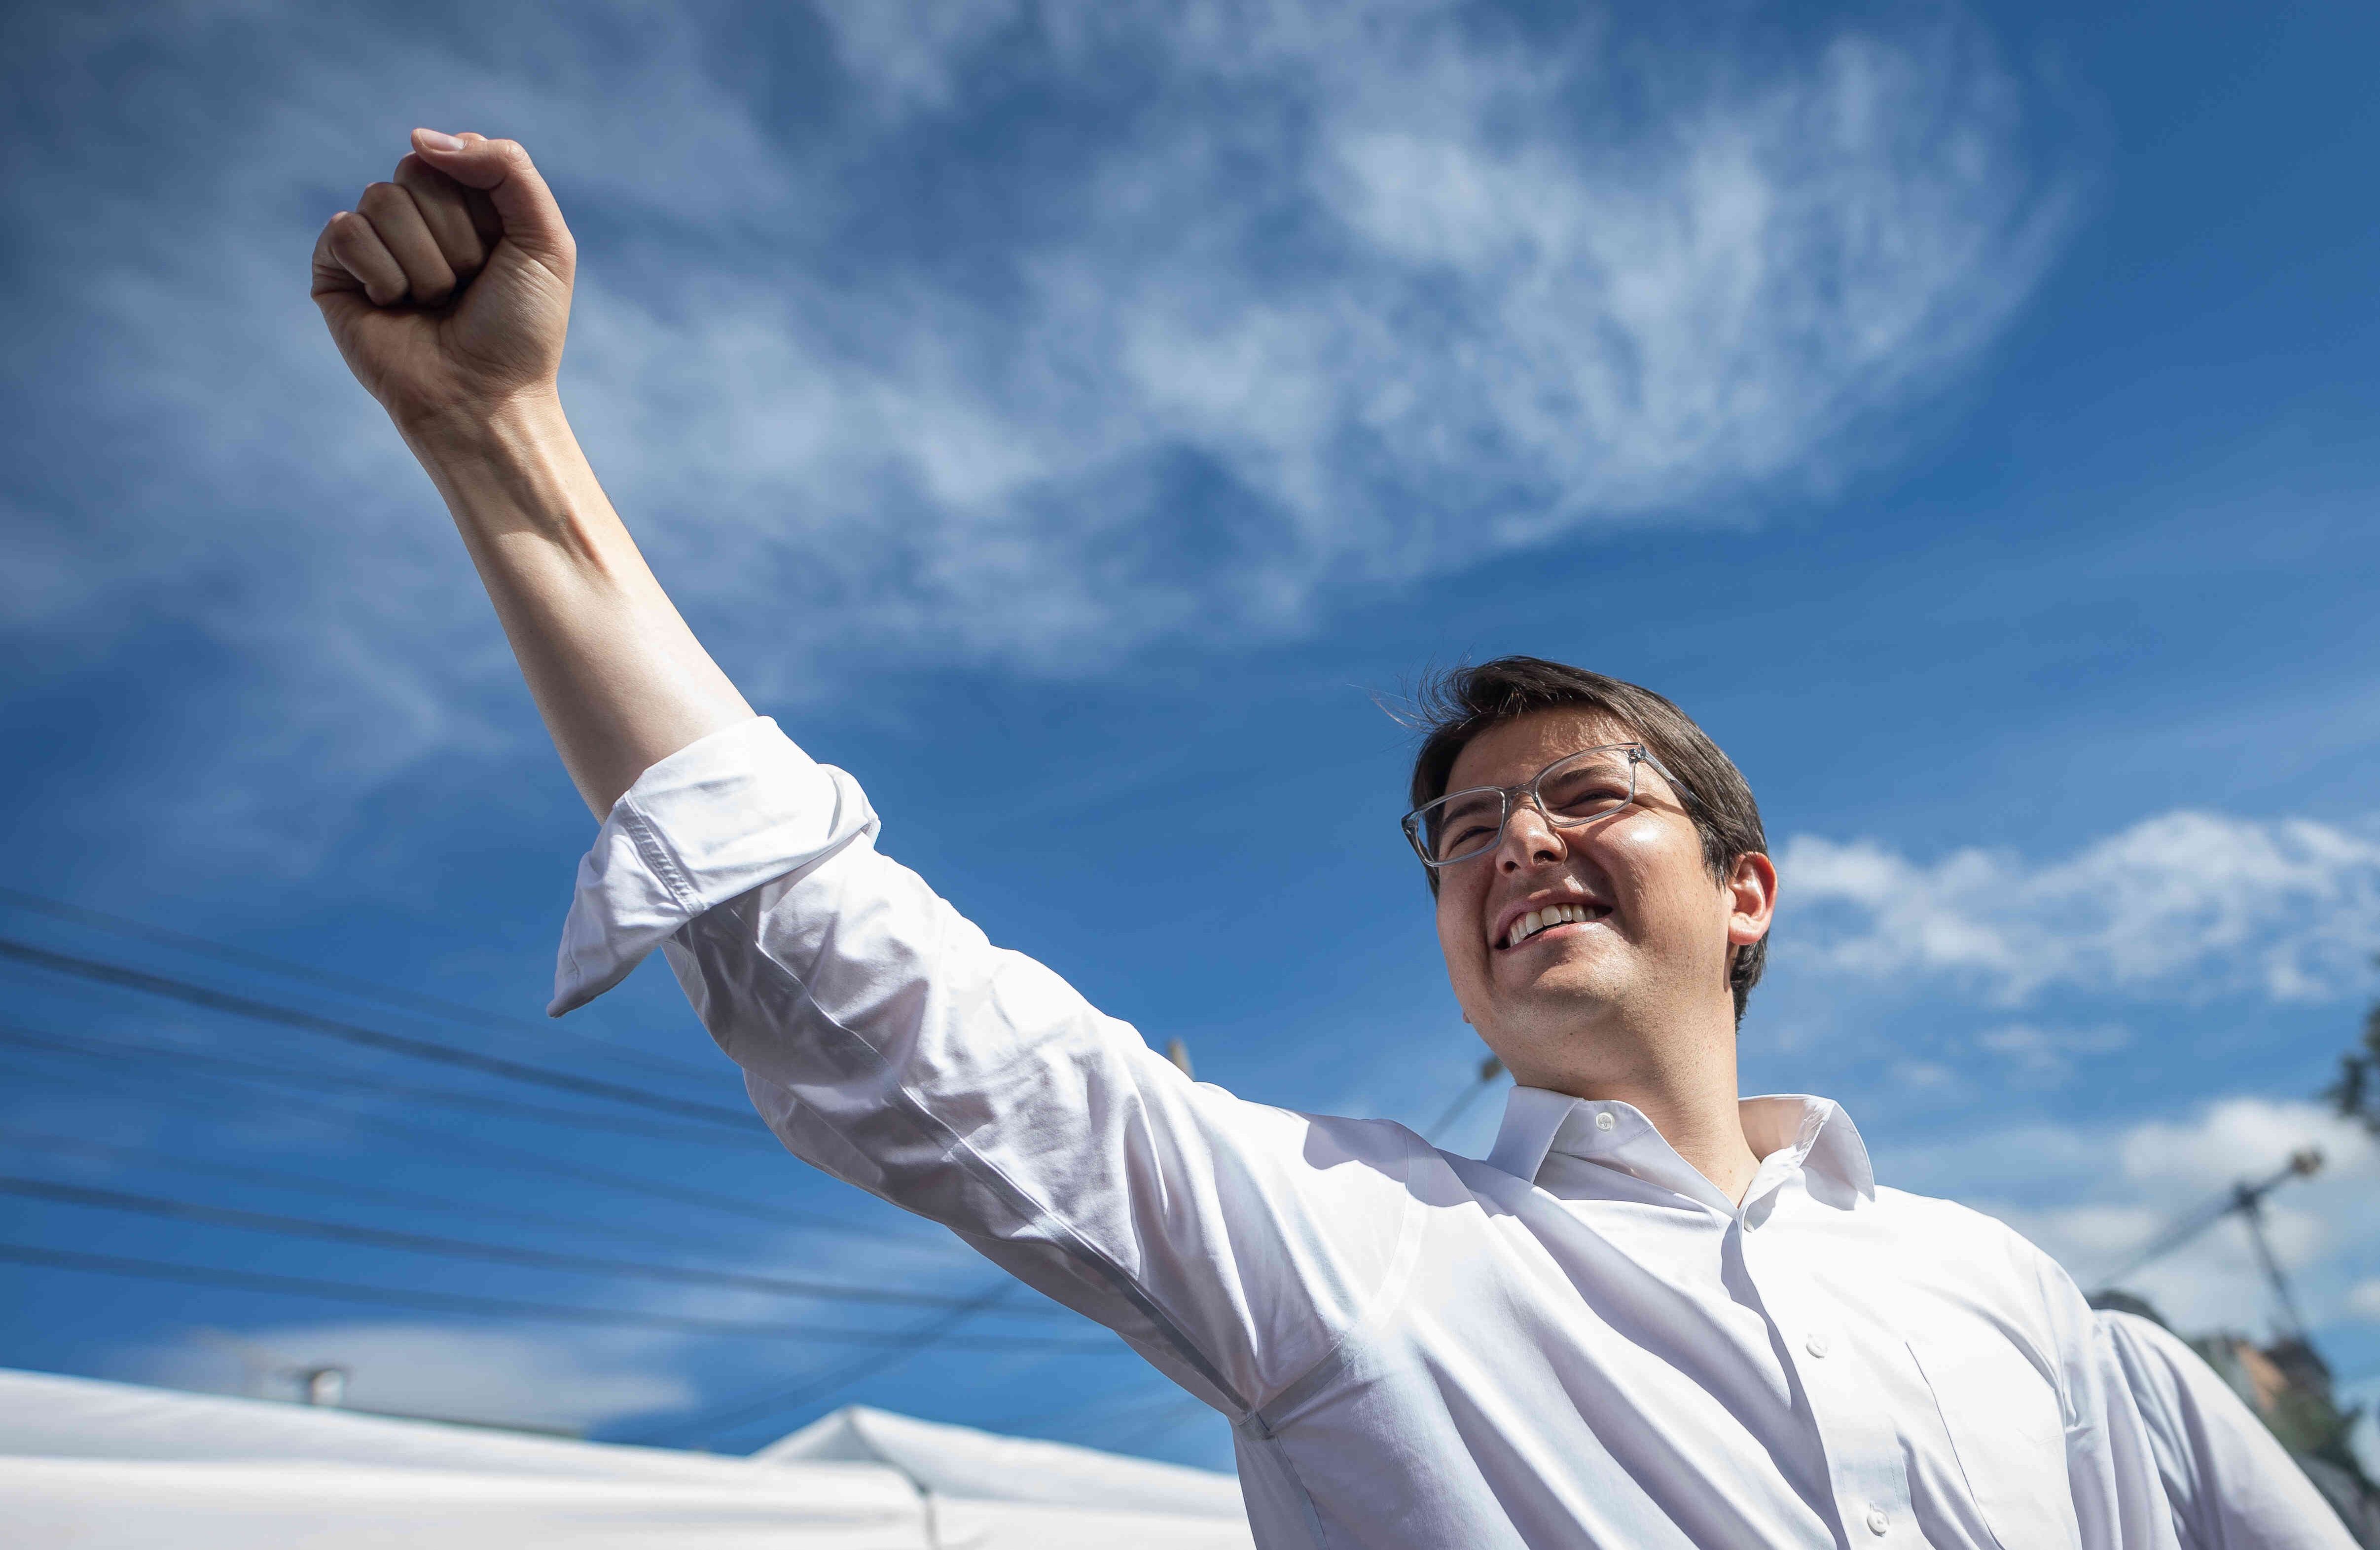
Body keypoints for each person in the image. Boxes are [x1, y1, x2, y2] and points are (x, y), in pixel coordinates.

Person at [311, 129, 2354, 1550]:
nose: (1511, 842)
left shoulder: (2017, 1311)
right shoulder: (1345, 1250)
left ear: (1745, 896)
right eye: (1461, 828)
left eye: (1583, 794)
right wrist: (503, 442)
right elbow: (880, 991)